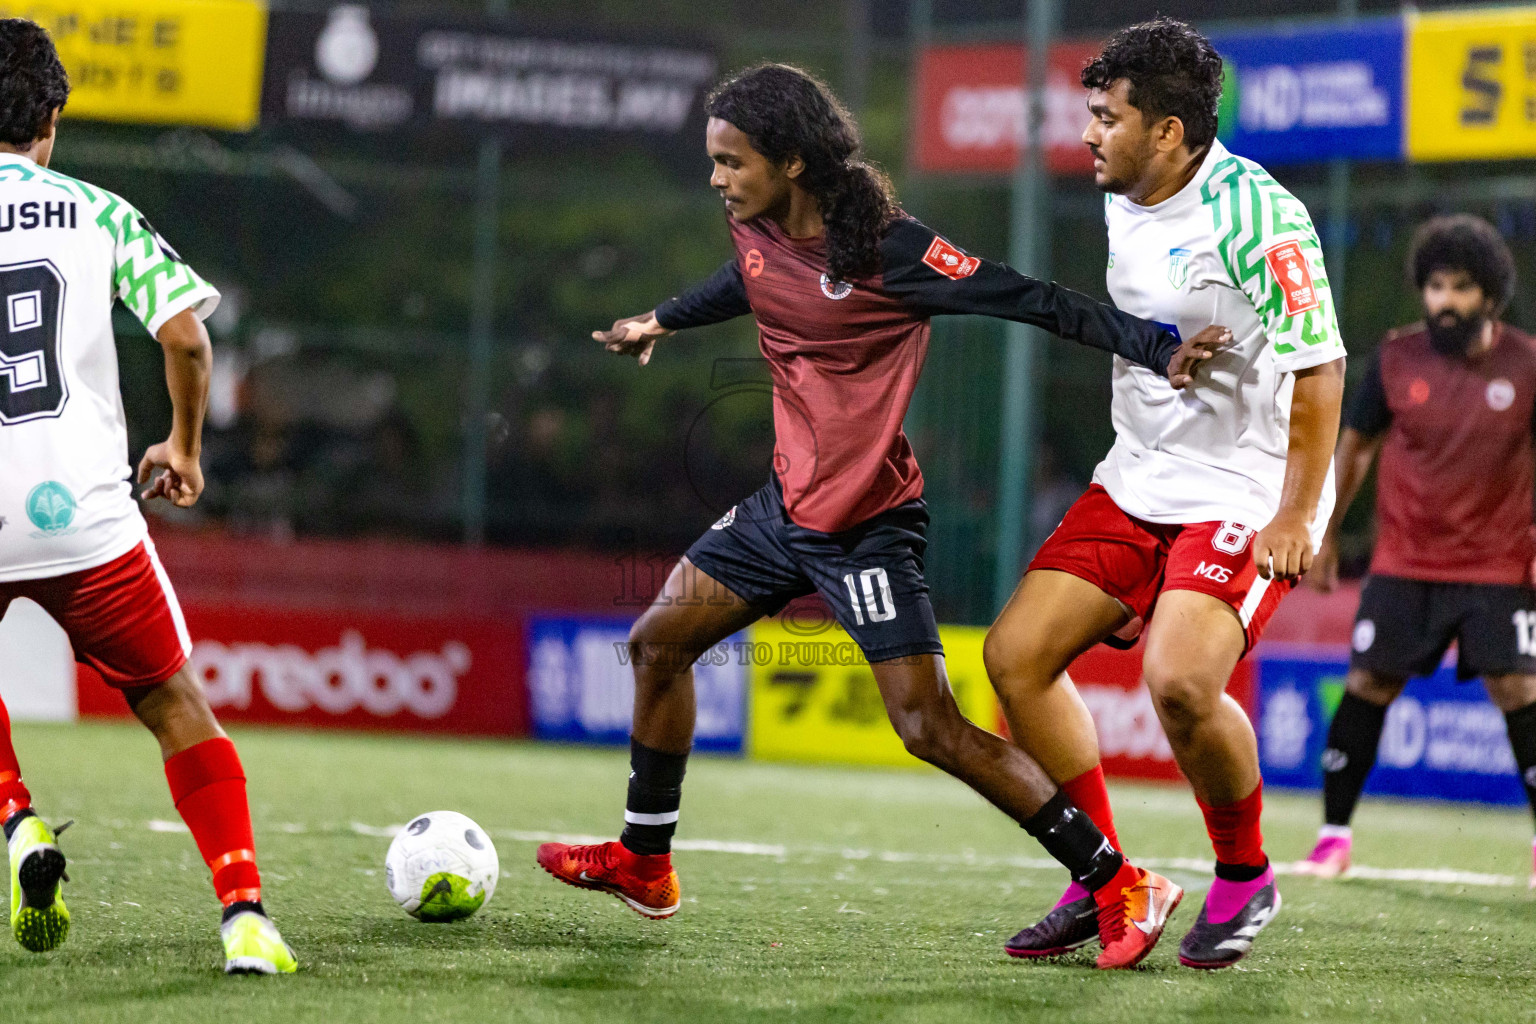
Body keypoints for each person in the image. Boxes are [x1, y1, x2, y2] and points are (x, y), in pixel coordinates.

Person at [535, 62, 1228, 970]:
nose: (716, 178)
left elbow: (1033, 299)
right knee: (659, 642)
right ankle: (645, 859)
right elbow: (744, 278)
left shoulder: (894, 253)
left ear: (790, 162)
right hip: (782, 508)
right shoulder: (753, 226)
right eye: (713, 161)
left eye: (730, 161)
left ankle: (1118, 881)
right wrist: (660, 318)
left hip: (866, 521)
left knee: (928, 727)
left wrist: (1157, 345)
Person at [983, 18, 1345, 969]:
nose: (1088, 135)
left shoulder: (1261, 216)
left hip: (1245, 481)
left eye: (1106, 118)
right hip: (1140, 471)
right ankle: (1107, 879)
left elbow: (1321, 368)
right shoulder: (1123, 189)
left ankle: (1244, 875)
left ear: (1171, 132)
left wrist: (1297, 515)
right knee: (1016, 658)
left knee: (1180, 683)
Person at [0, 20, 295, 974]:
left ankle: (17, 826)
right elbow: (187, 340)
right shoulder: (98, 210)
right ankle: (245, 913)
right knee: (174, 704)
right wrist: (185, 446)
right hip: (84, 513)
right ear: (51, 117)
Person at [1298, 214, 1536, 885]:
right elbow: (1356, 448)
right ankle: (1332, 838)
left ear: (1490, 295)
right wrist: (1327, 532)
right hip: (1405, 562)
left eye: (1460, 287)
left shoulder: (1527, 363)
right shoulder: (1397, 358)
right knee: (1369, 682)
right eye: (1434, 286)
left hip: (1497, 564)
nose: (1445, 301)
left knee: (1519, 687)